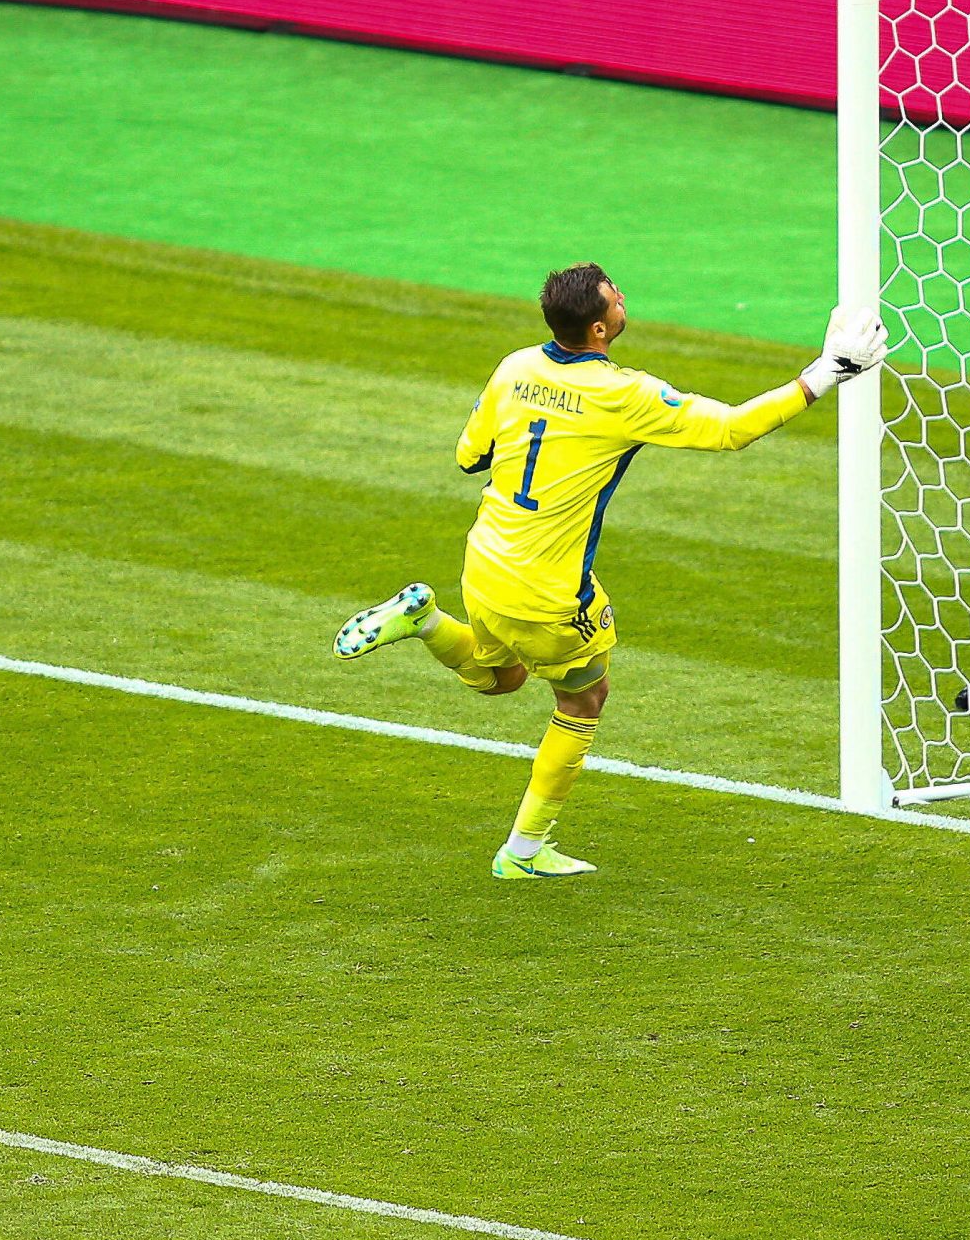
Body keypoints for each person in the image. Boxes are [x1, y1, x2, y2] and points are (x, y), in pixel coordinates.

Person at [334, 265, 886, 879]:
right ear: (600, 327)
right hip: (548, 592)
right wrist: (827, 372)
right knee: (584, 697)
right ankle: (522, 852)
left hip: (485, 561)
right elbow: (731, 430)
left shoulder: (514, 367)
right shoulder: (626, 395)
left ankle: (426, 619)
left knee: (504, 678)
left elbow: (470, 457)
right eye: (614, 296)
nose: (623, 296)